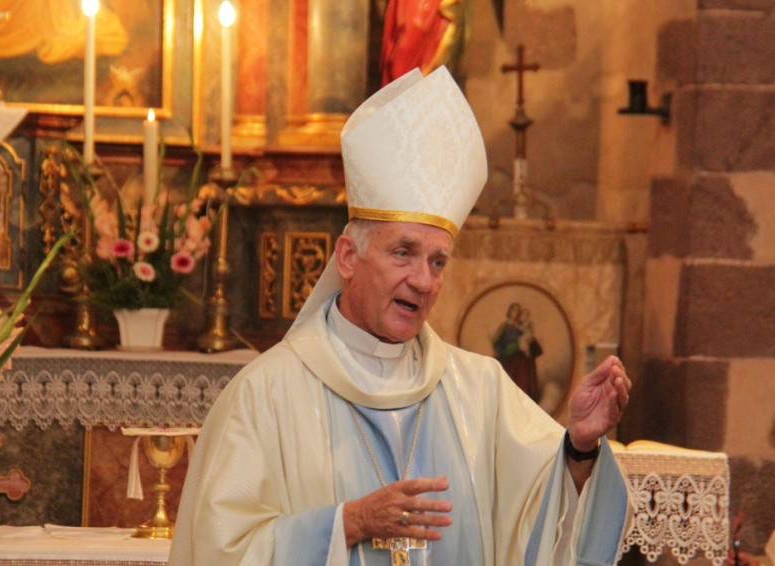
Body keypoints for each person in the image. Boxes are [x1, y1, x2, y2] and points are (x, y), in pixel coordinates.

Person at [168, 66, 632, 566]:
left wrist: (579, 446)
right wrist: (348, 523)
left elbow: (547, 520)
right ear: (348, 257)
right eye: (404, 253)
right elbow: (220, 548)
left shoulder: (480, 390)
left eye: (438, 262)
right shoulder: (265, 394)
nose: (424, 281)